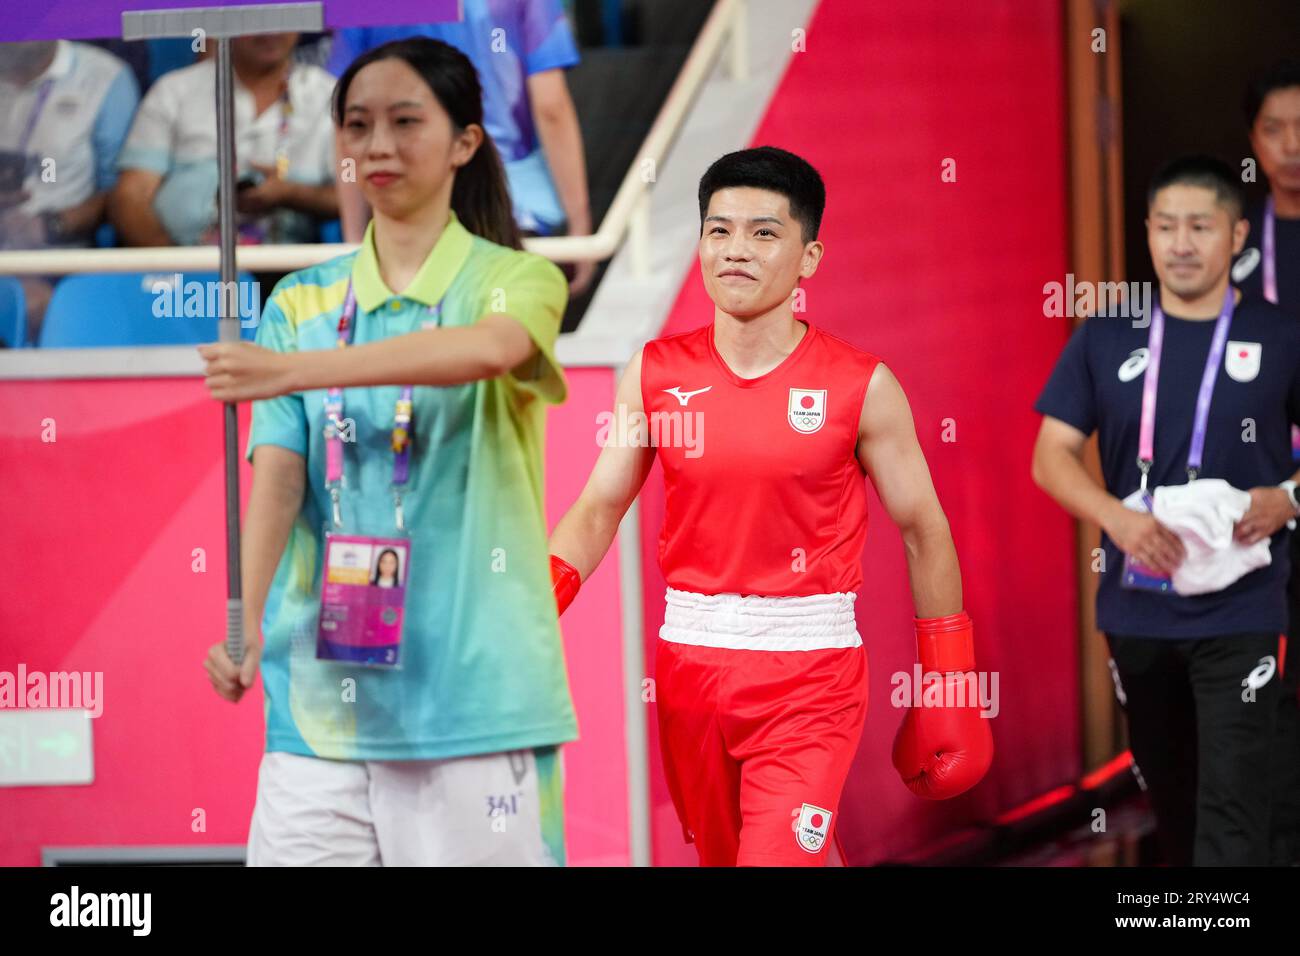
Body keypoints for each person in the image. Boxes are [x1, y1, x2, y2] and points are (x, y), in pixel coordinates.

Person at [548, 146, 993, 866]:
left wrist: (948, 676)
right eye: (718, 231)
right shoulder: (655, 373)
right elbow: (600, 506)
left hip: (810, 677)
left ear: (808, 257)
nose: (735, 250)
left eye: (763, 232)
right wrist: (534, 606)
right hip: (690, 671)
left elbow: (923, 529)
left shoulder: (861, 386)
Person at [198, 38, 575, 866]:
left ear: (465, 142)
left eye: (407, 123)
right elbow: (280, 477)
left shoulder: (515, 279)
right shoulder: (300, 300)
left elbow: (484, 352)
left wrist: (292, 370)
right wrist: (245, 619)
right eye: (358, 125)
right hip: (317, 706)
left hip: (473, 698)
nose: (377, 147)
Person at [1033, 156, 1300, 866]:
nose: (1182, 244)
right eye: (1167, 226)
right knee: (1174, 801)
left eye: (1201, 227)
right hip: (1138, 608)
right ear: (1148, 232)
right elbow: (1050, 455)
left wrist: (1290, 497)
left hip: (1244, 608)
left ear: (1237, 235)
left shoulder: (1281, 334)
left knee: (1234, 808)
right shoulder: (1107, 331)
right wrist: (1116, 518)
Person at [327, 0, 594, 294]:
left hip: (405, 222)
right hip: (510, 207)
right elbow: (551, 108)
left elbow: (348, 126)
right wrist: (580, 228)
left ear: (468, 143)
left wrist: (352, 243)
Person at [1238, 59, 1300, 866]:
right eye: (1274, 131)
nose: (1292, 148)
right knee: (1265, 685)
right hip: (1261, 500)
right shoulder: (1235, 249)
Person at [111, 32, 337, 248]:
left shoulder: (329, 95)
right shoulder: (175, 90)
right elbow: (131, 196)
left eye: (282, 16)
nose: (271, 30)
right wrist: (173, 268)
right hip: (183, 265)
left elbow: (353, 196)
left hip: (288, 272)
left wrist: (291, 194)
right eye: (255, 18)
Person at [0, 39, 139, 342]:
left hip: (64, 258)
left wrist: (52, 225)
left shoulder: (104, 77)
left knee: (43, 308)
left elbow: (118, 192)